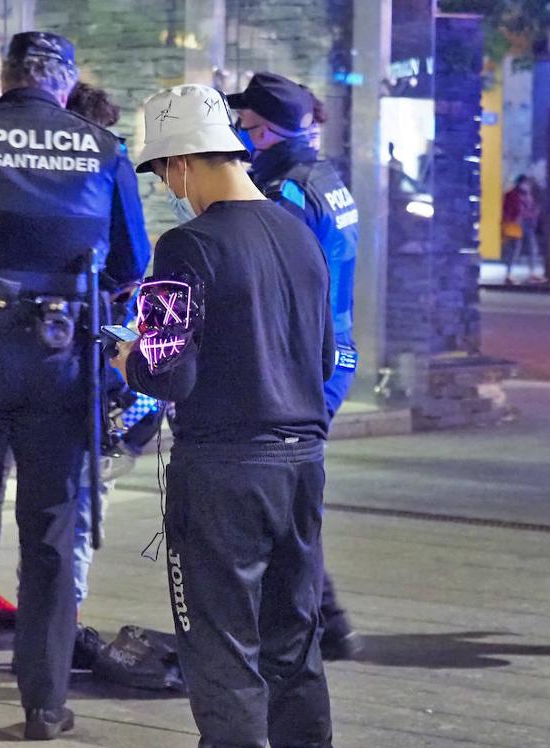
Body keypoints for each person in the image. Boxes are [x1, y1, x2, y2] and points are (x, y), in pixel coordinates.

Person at [0, 30, 149, 742]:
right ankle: (44, 705)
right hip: (63, 356)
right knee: (52, 531)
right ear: (65, 81)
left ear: (7, 74)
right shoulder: (102, 149)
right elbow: (131, 264)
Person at [119, 81, 338, 748]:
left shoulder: (185, 246)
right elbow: (326, 356)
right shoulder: (299, 234)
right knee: (292, 639)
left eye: (163, 175)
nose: (169, 190)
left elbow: (166, 372)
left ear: (181, 162)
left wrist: (130, 356)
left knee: (218, 646)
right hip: (302, 465)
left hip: (221, 472)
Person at [230, 72, 362, 661]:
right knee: (288, 494)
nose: (238, 132)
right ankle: (323, 620)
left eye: (246, 123)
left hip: (299, 360)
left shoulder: (284, 190)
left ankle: (317, 624)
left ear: (266, 127)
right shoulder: (324, 178)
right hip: (330, 355)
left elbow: (270, 281)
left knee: (276, 496)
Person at [501, 174, 541, 283]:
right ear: (519, 183)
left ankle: (532, 274)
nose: (526, 185)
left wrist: (534, 214)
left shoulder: (529, 195)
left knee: (532, 248)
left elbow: (531, 207)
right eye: (525, 183)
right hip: (516, 223)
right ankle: (508, 275)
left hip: (527, 223)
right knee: (515, 249)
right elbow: (507, 210)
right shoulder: (511, 195)